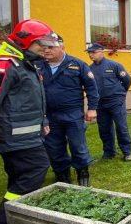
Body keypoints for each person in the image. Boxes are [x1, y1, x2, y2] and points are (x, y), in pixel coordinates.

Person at [0, 19, 59, 224]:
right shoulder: (3, 65)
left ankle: (8, 222)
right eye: (41, 44)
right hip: (15, 137)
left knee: (19, 176)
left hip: (25, 135)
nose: (46, 49)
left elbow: (30, 100)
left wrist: (42, 122)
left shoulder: (23, 63)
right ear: (24, 41)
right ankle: (4, 221)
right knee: (36, 169)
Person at [36, 36, 99, 187]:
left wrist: (92, 108)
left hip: (72, 114)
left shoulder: (77, 64)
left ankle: (82, 173)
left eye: (51, 47)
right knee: (53, 146)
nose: (46, 50)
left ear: (62, 48)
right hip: (48, 115)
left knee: (78, 146)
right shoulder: (37, 65)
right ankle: (62, 174)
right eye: (44, 47)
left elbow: (91, 88)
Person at [86, 42, 131, 161]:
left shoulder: (114, 65)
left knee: (121, 127)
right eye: (89, 53)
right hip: (100, 103)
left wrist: (121, 94)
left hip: (115, 101)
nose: (91, 55)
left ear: (102, 51)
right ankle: (109, 152)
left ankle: (127, 151)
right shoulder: (89, 69)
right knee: (104, 128)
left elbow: (126, 80)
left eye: (93, 52)